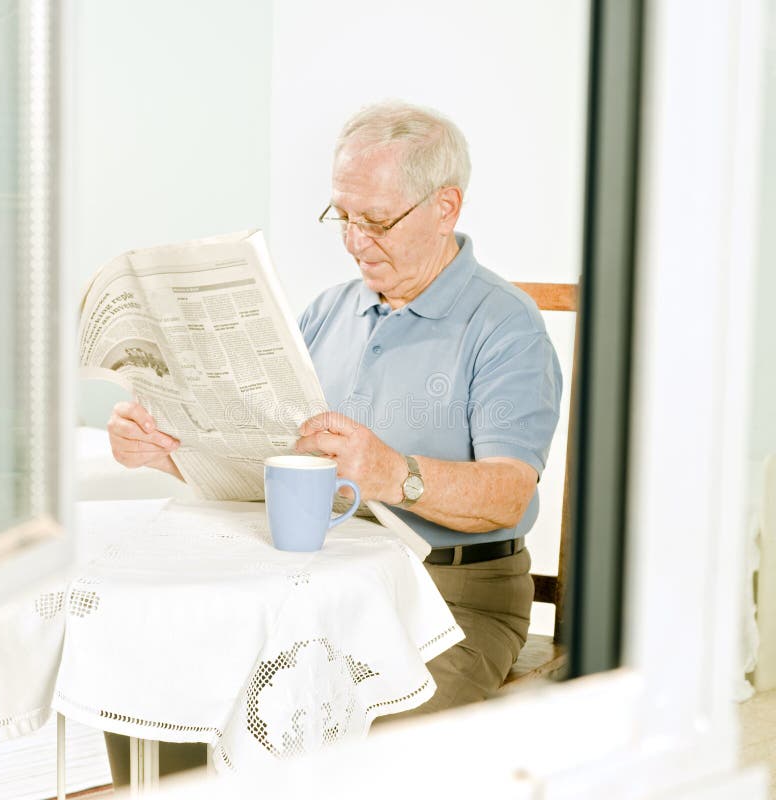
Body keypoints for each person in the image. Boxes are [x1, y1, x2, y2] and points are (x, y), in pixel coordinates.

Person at [105, 100, 562, 780]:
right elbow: (271, 462)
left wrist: (390, 473)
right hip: (312, 587)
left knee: (351, 769)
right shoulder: (328, 311)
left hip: (452, 603)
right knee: (152, 693)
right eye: (342, 216)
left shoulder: (505, 325)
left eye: (376, 220)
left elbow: (506, 495)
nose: (354, 241)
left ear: (446, 207)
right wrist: (167, 450)